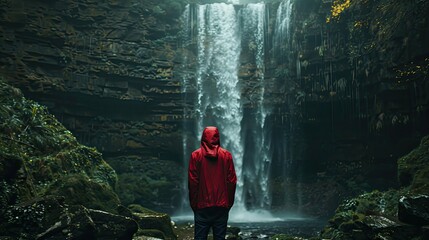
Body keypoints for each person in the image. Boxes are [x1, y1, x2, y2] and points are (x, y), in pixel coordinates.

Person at [188, 126, 237, 240]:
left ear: (203, 137)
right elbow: (232, 182)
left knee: (200, 237)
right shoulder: (226, 155)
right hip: (221, 205)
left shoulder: (195, 155)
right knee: (220, 237)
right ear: (218, 137)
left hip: (202, 205)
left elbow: (193, 182)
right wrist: (228, 203)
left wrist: (194, 204)